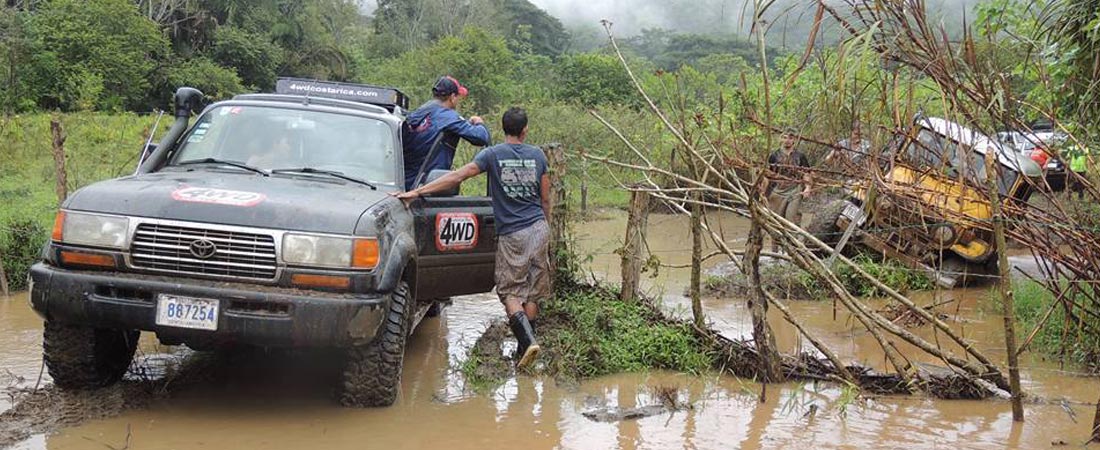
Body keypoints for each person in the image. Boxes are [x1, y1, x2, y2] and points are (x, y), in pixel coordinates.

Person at [396, 107, 549, 369]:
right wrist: (547, 226)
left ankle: (528, 343)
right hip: (539, 228)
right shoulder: (538, 155)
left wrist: (417, 192)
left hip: (513, 233)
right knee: (532, 292)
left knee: (510, 293)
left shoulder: (492, 154)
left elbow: (457, 176)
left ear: (504, 129)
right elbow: (545, 197)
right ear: (525, 130)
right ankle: (525, 353)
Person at [402, 76, 492, 189]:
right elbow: (481, 137)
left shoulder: (416, 113)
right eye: (458, 96)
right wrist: (479, 123)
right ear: (453, 97)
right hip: (428, 187)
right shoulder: (447, 116)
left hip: (404, 184)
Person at [765, 128, 812, 252]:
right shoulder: (774, 156)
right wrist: (762, 193)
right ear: (781, 139)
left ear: (794, 140)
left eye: (790, 138)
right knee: (775, 222)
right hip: (777, 192)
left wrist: (807, 187)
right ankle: (774, 253)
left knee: (791, 220)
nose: (787, 140)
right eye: (785, 137)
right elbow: (768, 175)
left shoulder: (800, 156)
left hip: (795, 190)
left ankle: (793, 251)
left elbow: (806, 173)